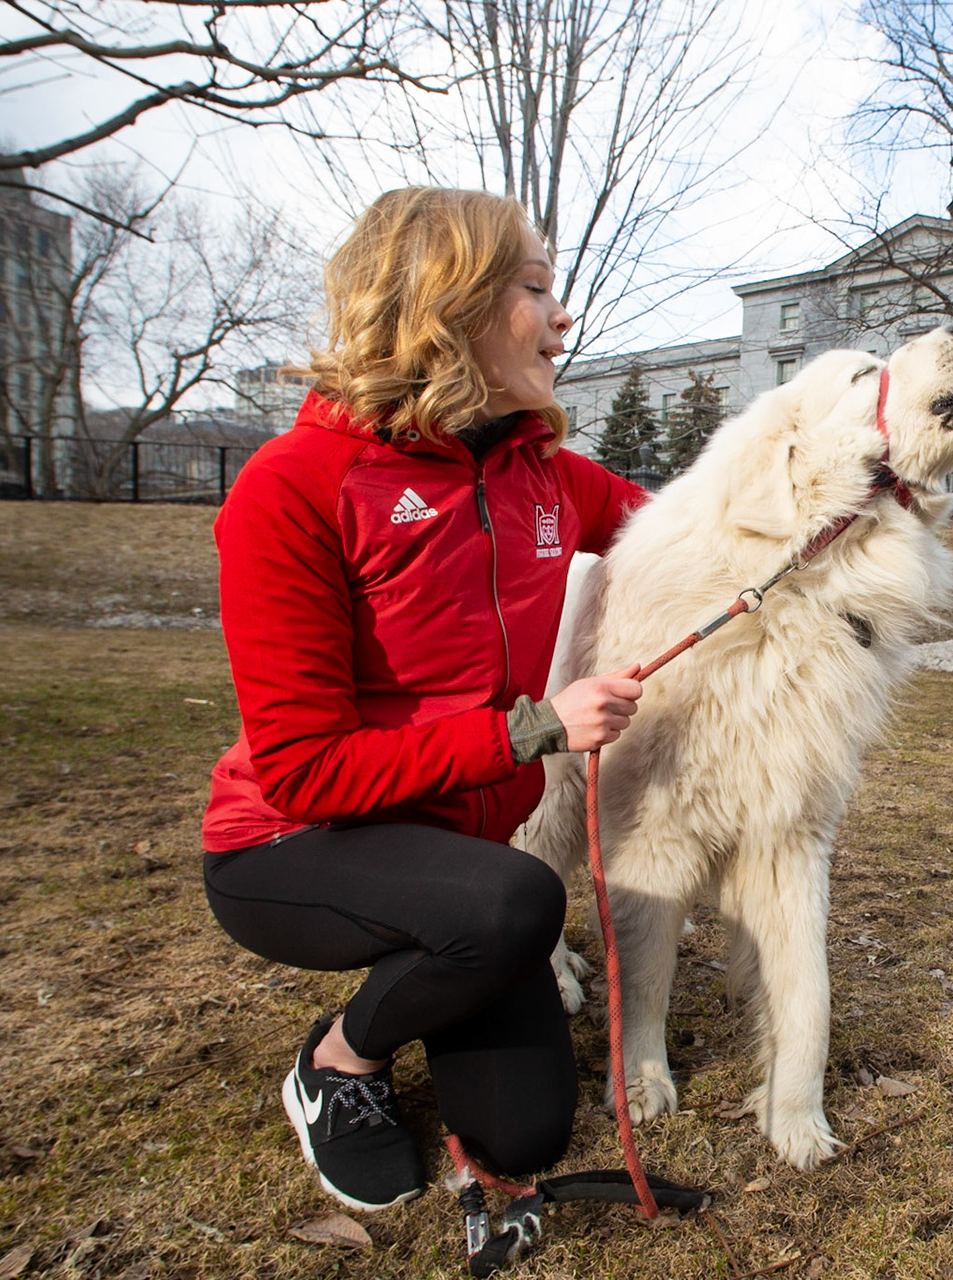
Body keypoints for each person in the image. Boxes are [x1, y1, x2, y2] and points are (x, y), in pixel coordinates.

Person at [198, 188, 650, 1213]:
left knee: (524, 1128)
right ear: (454, 304)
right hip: (292, 844)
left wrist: (837, 485)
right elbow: (304, 769)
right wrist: (534, 728)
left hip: (456, 863)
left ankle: (442, 949)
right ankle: (340, 1060)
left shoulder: (550, 477)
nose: (562, 314)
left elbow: (690, 529)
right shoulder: (293, 486)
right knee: (517, 900)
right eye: (536, 287)